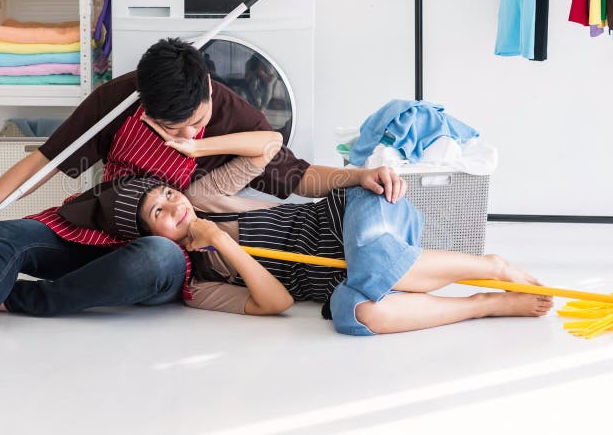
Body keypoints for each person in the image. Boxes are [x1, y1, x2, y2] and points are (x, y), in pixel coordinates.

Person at [0, 38, 403, 353]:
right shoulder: (116, 99)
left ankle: (16, 298)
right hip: (95, 227)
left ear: (208, 93)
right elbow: (45, 160)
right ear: (143, 103)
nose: (188, 132)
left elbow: (293, 172)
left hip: (158, 254)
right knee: (7, 234)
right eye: (172, 125)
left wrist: (358, 177)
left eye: (195, 121)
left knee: (155, 255)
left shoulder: (230, 114)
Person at [58, 126, 553, 335]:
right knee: (356, 316)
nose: (174, 205)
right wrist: (223, 244)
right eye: (158, 213)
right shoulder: (198, 285)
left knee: (375, 259)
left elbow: (268, 145)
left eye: (168, 193)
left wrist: (195, 152)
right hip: (340, 282)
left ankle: (493, 267)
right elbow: (274, 303)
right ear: (154, 240)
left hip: (354, 217)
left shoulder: (205, 196)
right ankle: (479, 304)